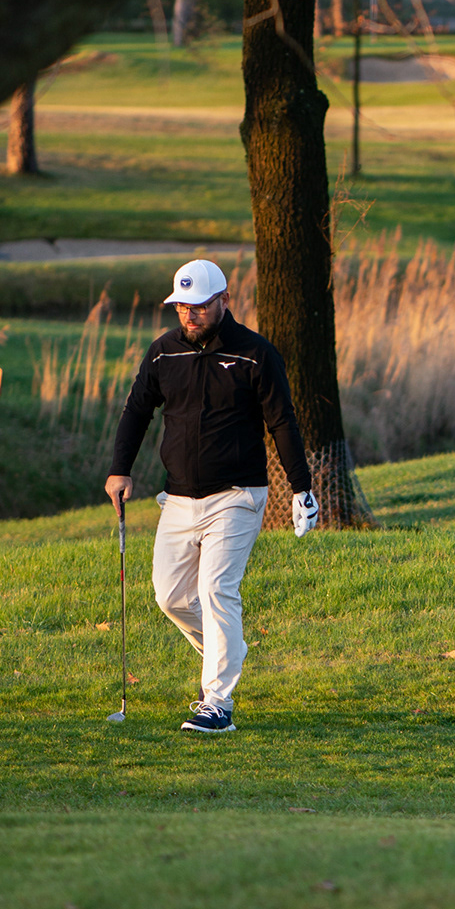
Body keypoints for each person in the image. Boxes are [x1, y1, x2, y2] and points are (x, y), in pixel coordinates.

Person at [105, 258, 319, 733]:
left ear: (224, 300)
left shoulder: (256, 354)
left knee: (216, 589)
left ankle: (217, 703)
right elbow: (137, 410)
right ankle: (227, 650)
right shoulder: (163, 353)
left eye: (200, 306)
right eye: (182, 306)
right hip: (179, 497)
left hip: (237, 493)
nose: (190, 315)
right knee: (170, 596)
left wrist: (301, 487)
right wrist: (120, 470)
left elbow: (282, 421)